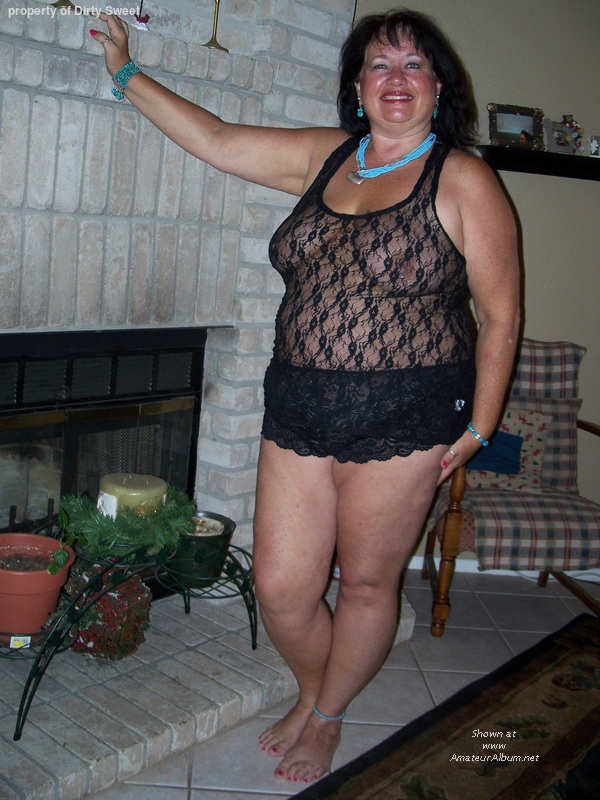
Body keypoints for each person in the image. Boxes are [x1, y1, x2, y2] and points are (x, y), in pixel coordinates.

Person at [90, 8, 520, 785]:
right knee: (281, 588)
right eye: (379, 64)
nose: (395, 78)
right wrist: (124, 71)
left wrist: (481, 426)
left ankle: (322, 714)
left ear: (438, 87)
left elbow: (500, 313)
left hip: (408, 411)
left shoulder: (463, 179)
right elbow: (217, 139)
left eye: (413, 65)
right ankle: (323, 689)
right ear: (356, 86)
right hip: (296, 402)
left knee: (365, 583)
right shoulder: (328, 158)